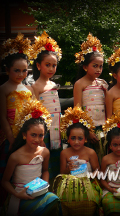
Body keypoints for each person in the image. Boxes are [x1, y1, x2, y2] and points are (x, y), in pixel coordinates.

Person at [1, 100, 61, 215]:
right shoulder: (15, 157)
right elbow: (5, 182)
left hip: (39, 191)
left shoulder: (45, 152)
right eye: (33, 135)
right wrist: (17, 194)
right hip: (20, 194)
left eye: (41, 135)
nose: (37, 139)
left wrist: (44, 186)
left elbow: (45, 171)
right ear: (24, 135)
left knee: (54, 201)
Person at [0, 33, 34, 206]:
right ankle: (7, 203)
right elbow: (3, 117)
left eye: (24, 70)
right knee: (8, 168)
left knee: (22, 168)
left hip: (25, 135)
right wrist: (11, 139)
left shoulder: (27, 89)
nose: (21, 74)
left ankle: (25, 197)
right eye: (17, 70)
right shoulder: (3, 89)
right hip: (9, 136)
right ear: (7, 70)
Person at [54, 106, 102, 216]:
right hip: (70, 185)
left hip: (88, 184)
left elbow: (98, 171)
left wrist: (90, 176)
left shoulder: (90, 153)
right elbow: (61, 174)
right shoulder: (64, 153)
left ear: (85, 139)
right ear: (68, 138)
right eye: (73, 138)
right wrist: (68, 169)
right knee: (66, 199)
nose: (76, 142)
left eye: (80, 138)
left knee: (88, 200)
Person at [31, 31, 63, 180]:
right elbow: (34, 111)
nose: (51, 68)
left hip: (57, 127)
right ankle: (44, 187)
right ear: (38, 65)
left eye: (54, 65)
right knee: (45, 160)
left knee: (57, 158)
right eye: (47, 65)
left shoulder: (53, 84)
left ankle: (56, 185)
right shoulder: (35, 87)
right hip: (45, 130)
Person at [73, 33, 108, 152]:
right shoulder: (79, 84)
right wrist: (88, 130)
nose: (99, 69)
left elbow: (108, 105)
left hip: (103, 126)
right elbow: (78, 110)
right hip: (88, 129)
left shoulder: (102, 83)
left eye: (101, 66)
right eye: (95, 66)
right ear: (85, 67)